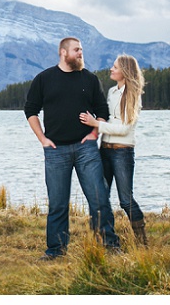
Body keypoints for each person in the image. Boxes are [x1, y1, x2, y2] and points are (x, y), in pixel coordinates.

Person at [24, 37, 121, 260]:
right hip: (56, 150)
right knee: (58, 203)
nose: (80, 53)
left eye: (81, 50)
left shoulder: (89, 78)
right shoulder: (44, 79)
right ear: (63, 52)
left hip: (86, 148)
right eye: (76, 50)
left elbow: (101, 110)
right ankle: (56, 251)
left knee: (99, 198)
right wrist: (42, 139)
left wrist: (94, 134)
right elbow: (30, 110)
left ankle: (108, 244)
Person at [80, 54, 148, 245]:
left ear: (125, 71)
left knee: (125, 200)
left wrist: (96, 125)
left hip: (122, 152)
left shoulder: (133, 95)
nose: (111, 69)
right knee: (100, 195)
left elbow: (125, 129)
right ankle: (100, 237)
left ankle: (142, 241)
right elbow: (108, 118)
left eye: (115, 67)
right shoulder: (111, 92)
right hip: (105, 150)